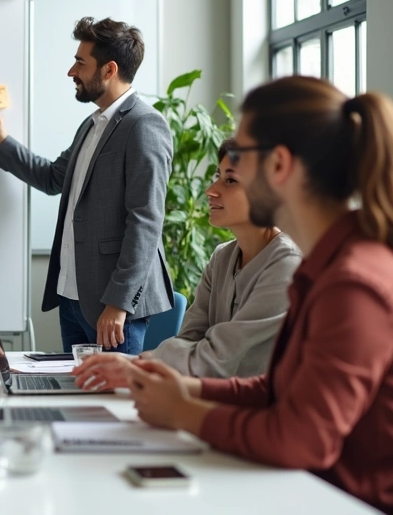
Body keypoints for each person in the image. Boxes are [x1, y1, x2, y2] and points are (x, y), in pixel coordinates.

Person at [79, 77, 393, 515]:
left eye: (238, 157)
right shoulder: (328, 266)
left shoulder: (355, 285)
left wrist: (186, 412)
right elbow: (280, 389)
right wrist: (185, 389)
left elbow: (301, 441)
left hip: (343, 499)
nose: (221, 177)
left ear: (279, 165)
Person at [0, 17, 175, 355]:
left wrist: (119, 304)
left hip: (111, 306)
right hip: (73, 297)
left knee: (111, 404)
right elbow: (54, 177)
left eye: (80, 63)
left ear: (109, 70)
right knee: (79, 400)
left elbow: (146, 221)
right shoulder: (91, 124)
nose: (71, 71)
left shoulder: (144, 126)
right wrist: (2, 141)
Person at [76, 142, 301, 383]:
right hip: (209, 401)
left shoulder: (288, 266)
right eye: (217, 176)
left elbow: (218, 357)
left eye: (230, 181)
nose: (211, 190)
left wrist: (136, 365)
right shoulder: (222, 257)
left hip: (257, 412)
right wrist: (136, 364)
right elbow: (189, 338)